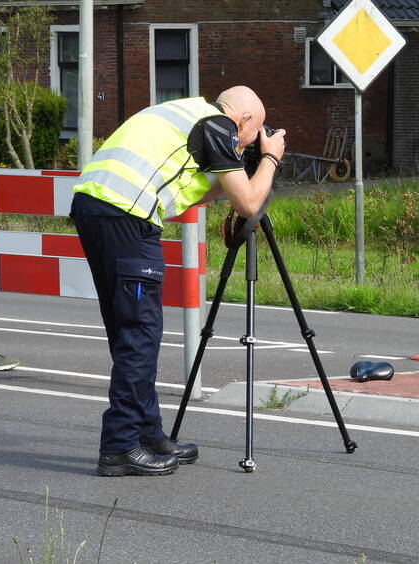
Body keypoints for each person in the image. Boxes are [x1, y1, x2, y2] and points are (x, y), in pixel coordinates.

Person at [71, 85, 286, 477]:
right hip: (128, 217)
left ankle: (148, 433)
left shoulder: (188, 114)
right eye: (254, 134)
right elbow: (250, 203)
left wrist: (239, 169)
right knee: (140, 333)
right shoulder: (220, 126)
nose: (251, 142)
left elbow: (192, 191)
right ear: (246, 121)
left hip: (94, 207)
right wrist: (270, 158)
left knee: (129, 330)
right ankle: (119, 447)